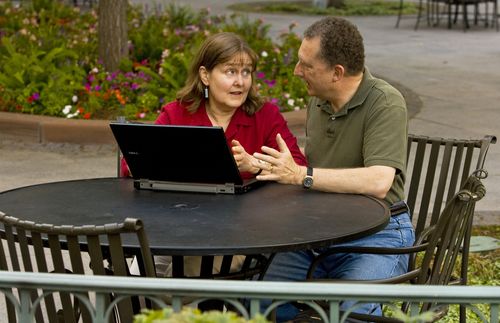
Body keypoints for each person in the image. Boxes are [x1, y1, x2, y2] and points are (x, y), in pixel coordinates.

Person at [252, 17, 415, 321]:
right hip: (320, 231)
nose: (297, 71)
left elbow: (380, 180)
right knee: (259, 301)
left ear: (337, 73)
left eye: (306, 65)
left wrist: (302, 175)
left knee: (354, 311)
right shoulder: (320, 101)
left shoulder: (385, 103)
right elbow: (310, 163)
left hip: (379, 234)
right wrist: (265, 163)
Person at [125, 31, 307, 278]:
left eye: (246, 72)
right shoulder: (178, 114)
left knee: (179, 280)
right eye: (230, 71)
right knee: (131, 277)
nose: (240, 82)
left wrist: (256, 165)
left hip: (240, 236)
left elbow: (297, 169)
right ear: (205, 75)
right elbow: (132, 165)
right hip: (175, 229)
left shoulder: (266, 116)